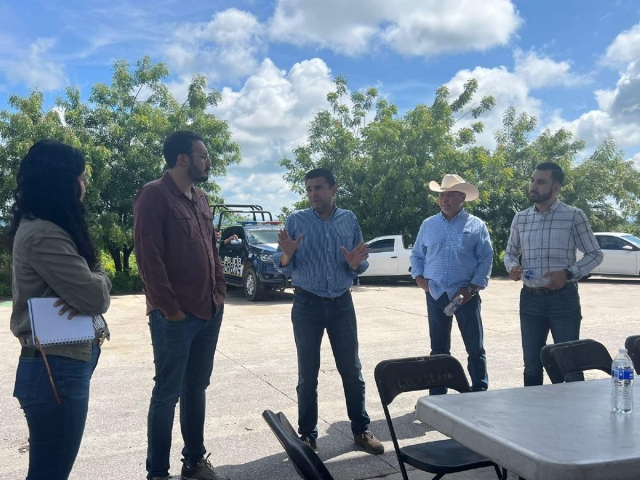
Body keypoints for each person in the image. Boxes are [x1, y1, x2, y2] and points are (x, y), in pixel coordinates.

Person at [10, 140, 111, 480]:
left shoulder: (46, 227)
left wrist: (87, 282)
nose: (84, 184)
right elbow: (95, 297)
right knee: (49, 474)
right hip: (56, 371)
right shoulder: (44, 235)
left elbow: (84, 293)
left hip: (59, 366)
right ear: (61, 182)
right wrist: (98, 275)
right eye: (81, 177)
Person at [134, 131, 229, 480]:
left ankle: (194, 461)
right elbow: (149, 258)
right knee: (167, 394)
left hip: (209, 311)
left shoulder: (201, 199)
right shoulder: (153, 195)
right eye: (203, 156)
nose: (209, 161)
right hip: (174, 317)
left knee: (196, 387)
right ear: (182, 159)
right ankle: (158, 472)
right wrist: (170, 308)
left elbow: (211, 249)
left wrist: (220, 290)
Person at [273, 168, 384, 455]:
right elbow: (281, 262)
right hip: (307, 304)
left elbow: (360, 262)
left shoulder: (349, 219)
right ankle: (308, 436)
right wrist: (287, 253)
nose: (313, 194)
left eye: (319, 188)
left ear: (334, 189)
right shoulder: (296, 220)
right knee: (307, 374)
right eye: (309, 189)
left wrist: (354, 263)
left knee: (352, 370)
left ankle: (360, 430)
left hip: (341, 303)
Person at [504, 162, 603, 386]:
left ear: (556, 187)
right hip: (530, 300)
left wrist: (568, 273)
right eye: (532, 180)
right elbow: (510, 252)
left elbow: (595, 254)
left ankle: (571, 418)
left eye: (541, 182)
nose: (533, 186)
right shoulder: (521, 218)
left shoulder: (574, 216)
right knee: (531, 366)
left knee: (570, 365)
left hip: (563, 300)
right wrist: (512, 266)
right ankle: (533, 419)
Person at [410, 174, 494, 394]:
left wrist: (473, 288)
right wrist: (421, 280)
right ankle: (438, 394)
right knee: (438, 349)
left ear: (462, 197)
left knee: (475, 347)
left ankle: (479, 390)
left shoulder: (476, 225)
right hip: (436, 293)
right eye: (441, 195)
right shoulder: (428, 225)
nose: (444, 200)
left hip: (465, 295)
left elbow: (486, 258)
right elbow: (417, 255)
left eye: (449, 195)